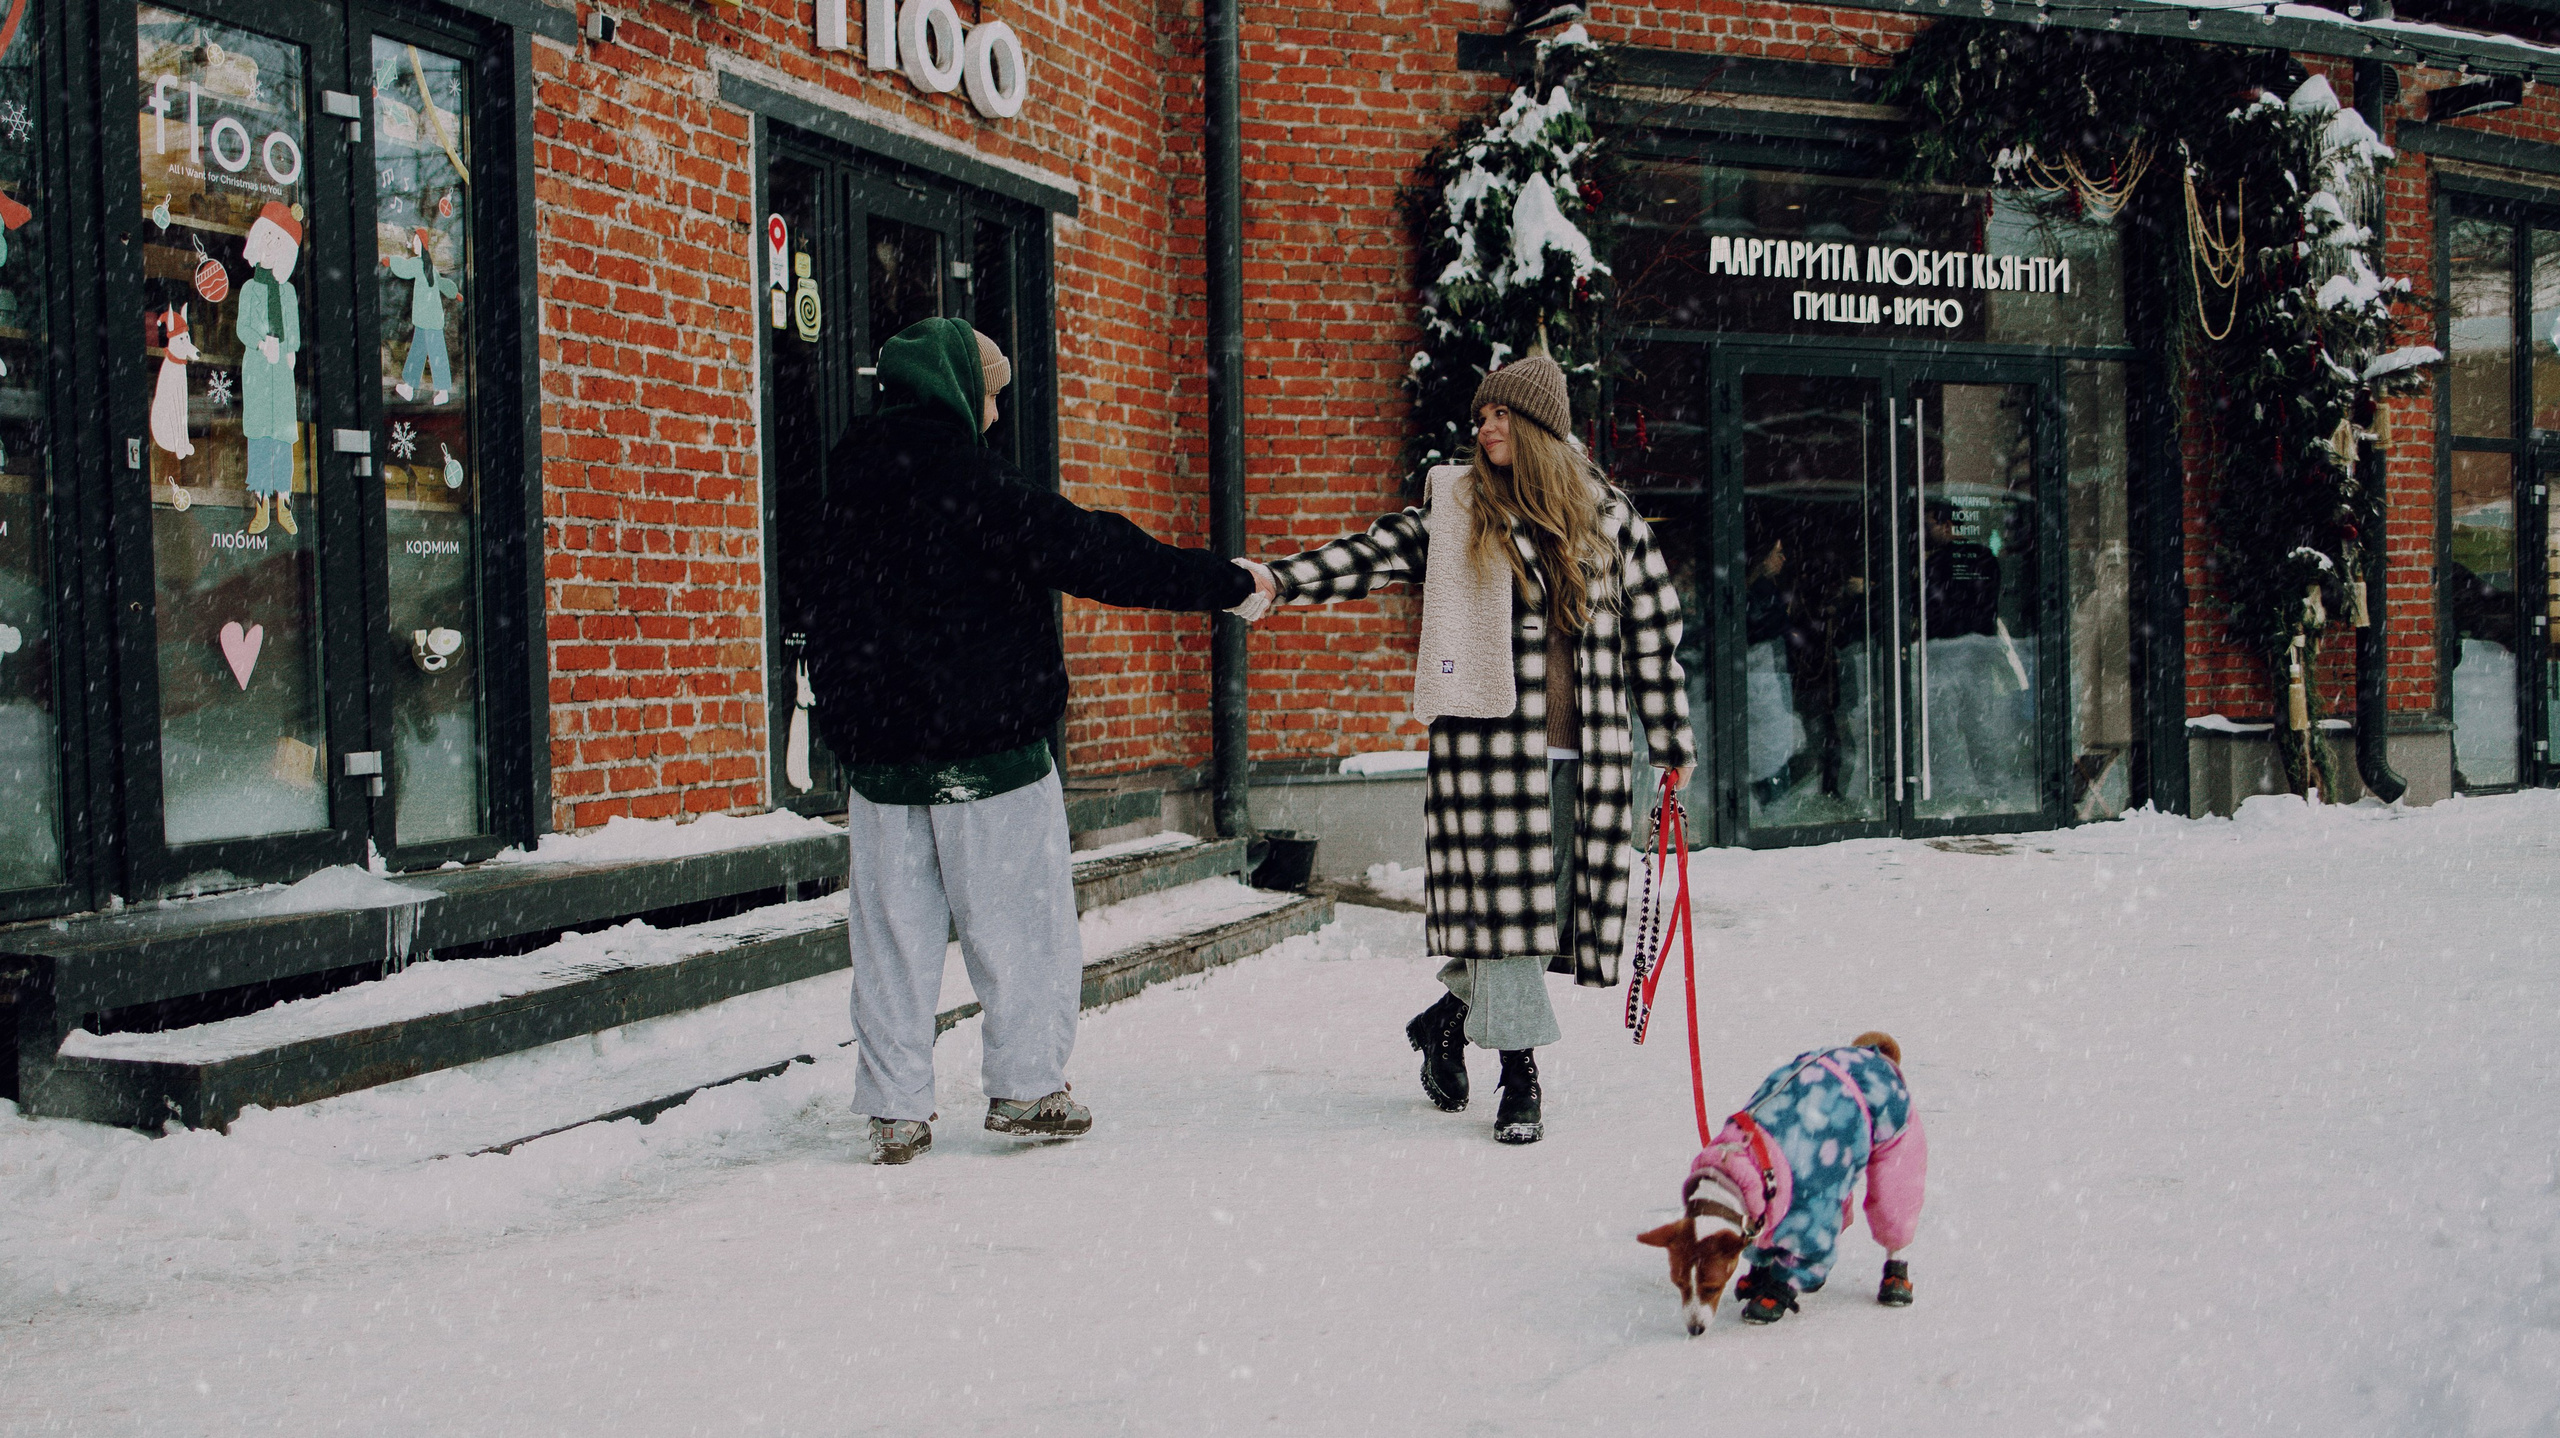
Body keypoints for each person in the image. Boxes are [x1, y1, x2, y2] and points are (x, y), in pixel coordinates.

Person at [802, 317, 1272, 1165]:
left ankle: (896, 1108)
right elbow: (1101, 554)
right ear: (955, 389)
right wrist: (1227, 583)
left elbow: (820, 615)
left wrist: (852, 722)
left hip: (883, 770)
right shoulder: (976, 486)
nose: (992, 416)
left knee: (891, 943)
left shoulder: (844, 486)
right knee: (1022, 932)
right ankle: (1025, 1089)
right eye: (989, 396)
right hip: (991, 757)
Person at [1256, 355, 1693, 1144]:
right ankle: (1520, 1074)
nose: (1485, 427)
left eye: (1501, 415)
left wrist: (1668, 738)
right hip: (1488, 753)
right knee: (1511, 912)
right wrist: (1283, 580)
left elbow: (1653, 639)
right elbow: (1377, 553)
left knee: (1542, 915)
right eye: (1481, 415)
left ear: (1539, 428)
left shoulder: (1606, 516)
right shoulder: (1459, 507)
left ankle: (1445, 1022)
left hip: (1588, 757)